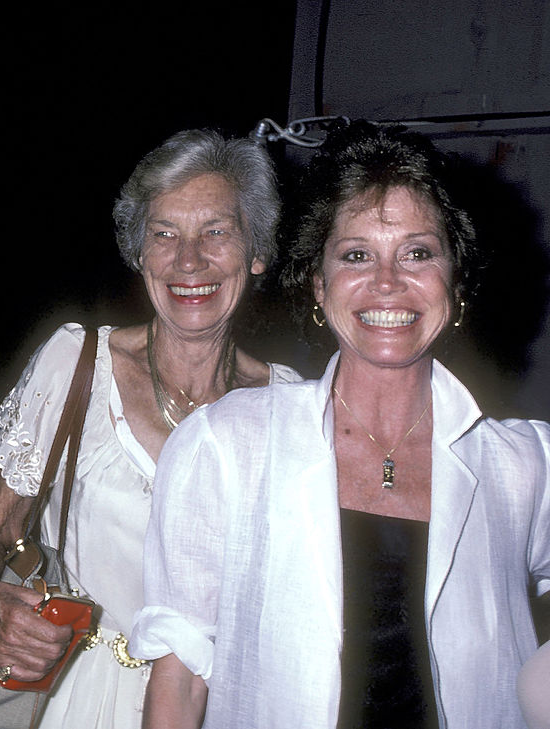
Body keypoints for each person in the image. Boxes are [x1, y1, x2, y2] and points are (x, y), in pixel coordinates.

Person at [133, 120, 550, 728]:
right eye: (357, 254)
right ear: (317, 284)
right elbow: (180, 677)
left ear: (454, 283)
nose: (388, 282)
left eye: (418, 252)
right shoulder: (227, 445)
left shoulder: (523, 466)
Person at [0, 129, 300, 729]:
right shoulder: (76, 365)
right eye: (165, 234)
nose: (189, 261)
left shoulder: (292, 407)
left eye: (216, 232)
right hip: (81, 699)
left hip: (232, 706)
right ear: (139, 253)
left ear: (257, 251)